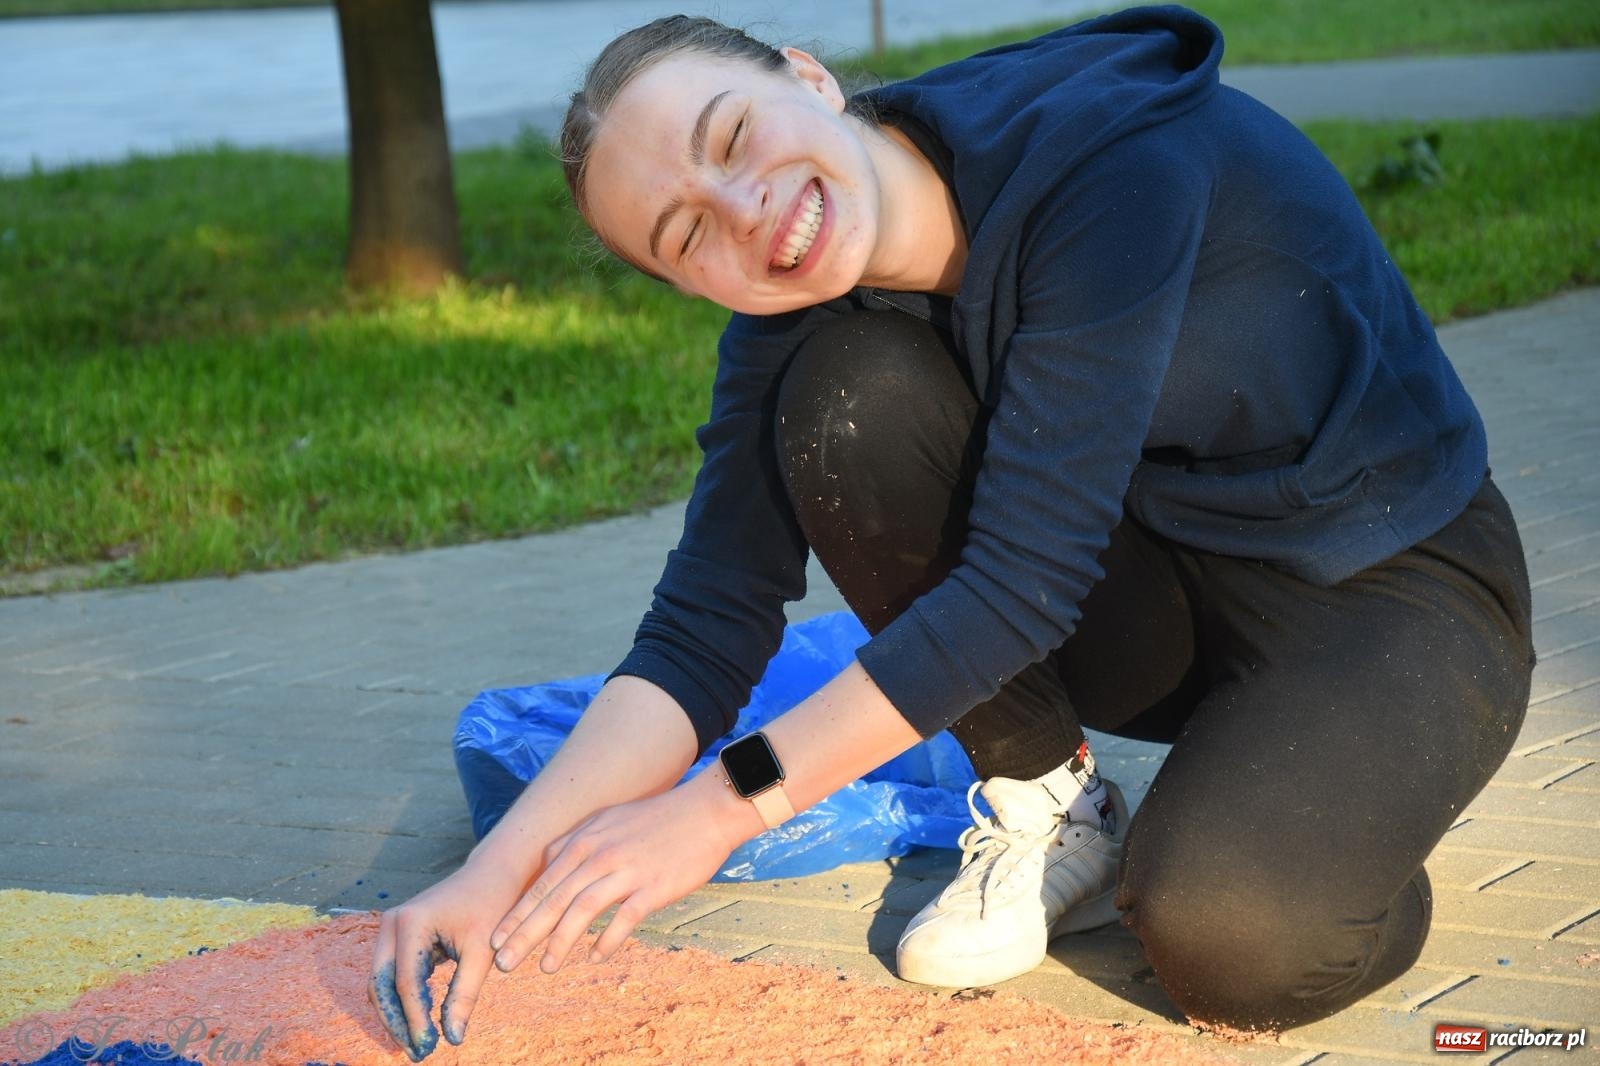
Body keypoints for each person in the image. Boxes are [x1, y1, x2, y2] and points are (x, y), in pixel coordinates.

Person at [368, 5, 1536, 1056]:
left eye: (730, 138)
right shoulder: (788, 303)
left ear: (808, 79)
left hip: (1388, 578)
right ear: (690, 285)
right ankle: (1050, 802)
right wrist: (492, 872)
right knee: (840, 403)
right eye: (686, 236)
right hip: (1151, 580)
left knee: (1231, 940)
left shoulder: (1104, 160)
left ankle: (1346, 835)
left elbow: (1017, 587)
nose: (747, 210)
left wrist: (715, 807)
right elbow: (702, 626)